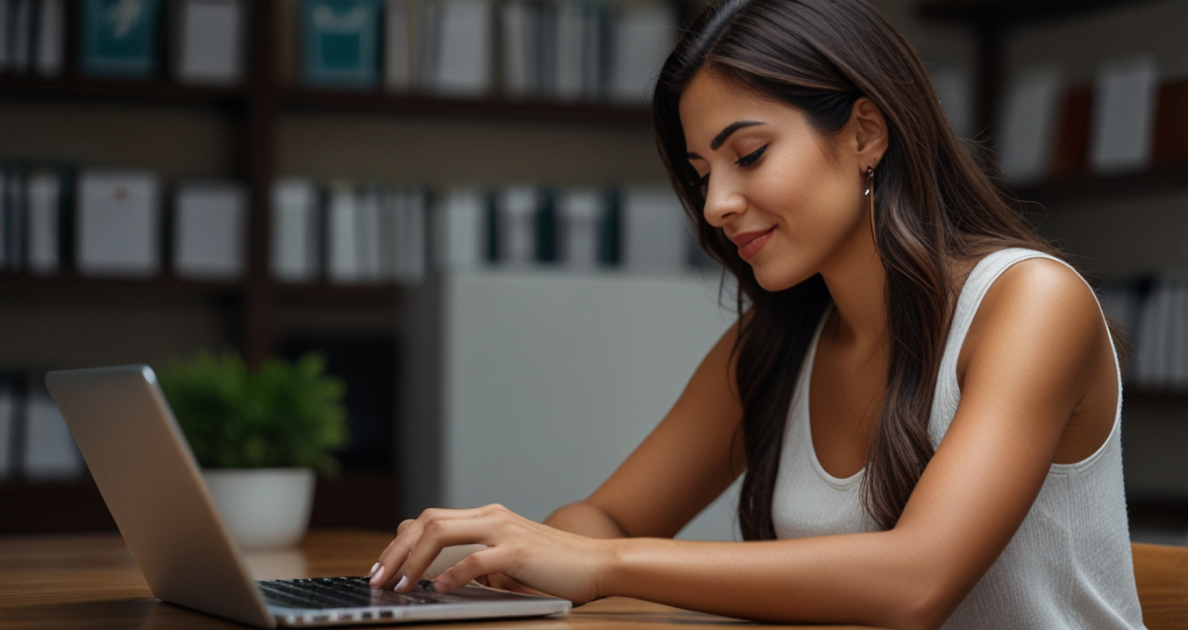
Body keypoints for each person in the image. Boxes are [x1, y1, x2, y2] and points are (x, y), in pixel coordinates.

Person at [368, 0, 1147, 628]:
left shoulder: (1030, 303)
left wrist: (601, 565)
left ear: (865, 133)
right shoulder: (775, 346)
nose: (715, 206)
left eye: (747, 155)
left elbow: (915, 583)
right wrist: (525, 553)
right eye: (701, 172)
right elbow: (607, 512)